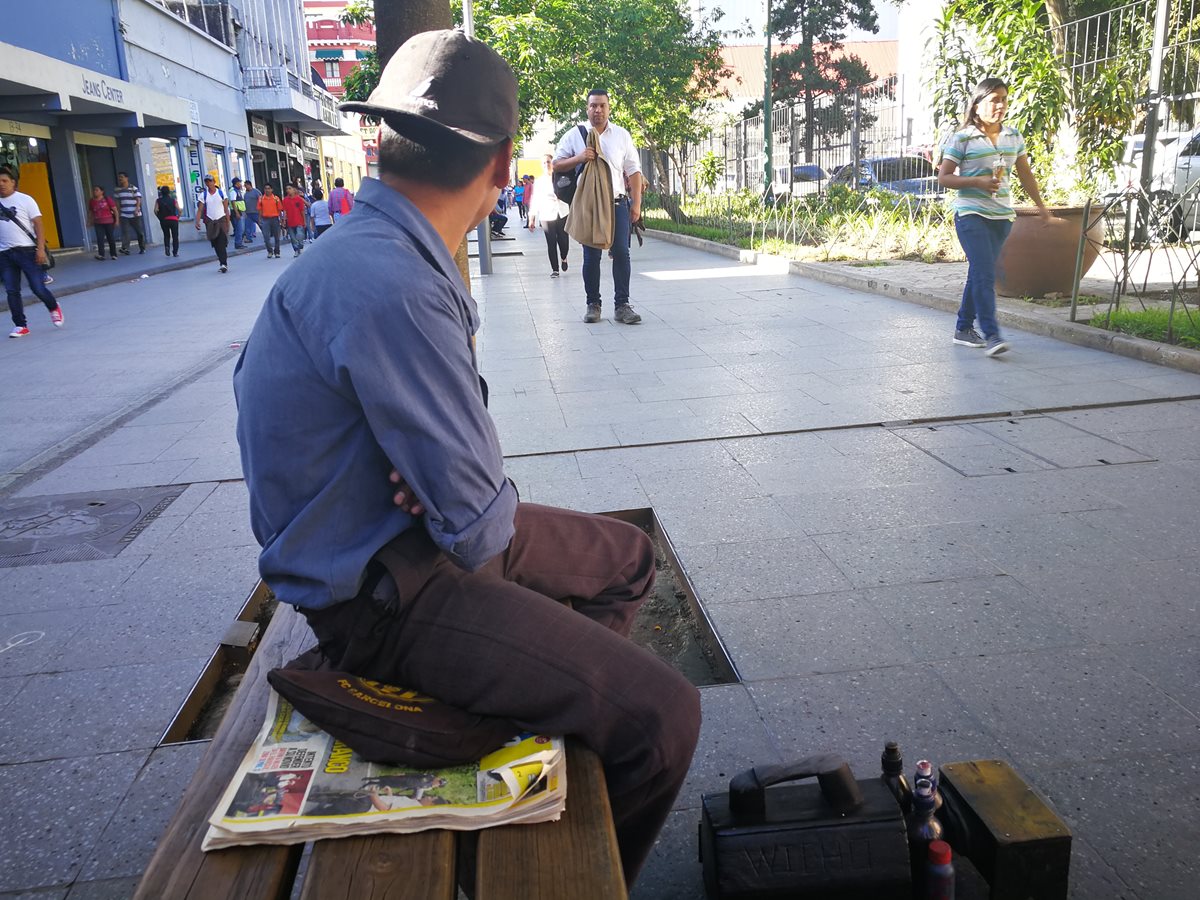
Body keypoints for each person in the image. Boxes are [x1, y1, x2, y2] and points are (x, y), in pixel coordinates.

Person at [233, 31, 699, 888]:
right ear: (504, 165)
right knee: (664, 718)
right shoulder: (396, 284)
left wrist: (442, 474)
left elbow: (464, 492)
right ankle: (572, 874)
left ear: (379, 144)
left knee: (629, 556)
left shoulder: (373, 253)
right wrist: (449, 480)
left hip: (407, 543)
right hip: (384, 595)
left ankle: (539, 707)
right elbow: (480, 528)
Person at [938, 77, 1053, 356]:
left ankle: (963, 328)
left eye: (1003, 99)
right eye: (993, 100)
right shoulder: (963, 137)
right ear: (977, 106)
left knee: (979, 271)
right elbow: (944, 177)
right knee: (986, 272)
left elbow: (1026, 174)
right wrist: (977, 182)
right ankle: (992, 335)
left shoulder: (1013, 136)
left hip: (1001, 216)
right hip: (970, 213)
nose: (1000, 105)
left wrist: (1041, 206)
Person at [555, 89, 644, 324]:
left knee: (622, 254)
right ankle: (593, 304)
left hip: (618, 204)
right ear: (587, 108)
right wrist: (580, 158)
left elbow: (634, 170)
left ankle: (622, 305)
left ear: (609, 108)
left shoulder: (621, 135)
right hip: (590, 206)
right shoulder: (575, 135)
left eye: (602, 105)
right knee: (591, 257)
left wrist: (636, 205)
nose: (598, 110)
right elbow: (557, 165)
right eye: (593, 106)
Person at [0, 165, 64, 337]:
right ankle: (20, 325)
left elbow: (39, 224)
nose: (1, 184)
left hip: (27, 251)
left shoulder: (25, 200)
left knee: (37, 287)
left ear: (13, 182)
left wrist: (41, 249)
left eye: (5, 180)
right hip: (5, 253)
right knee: (12, 290)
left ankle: (53, 306)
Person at [529, 154, 569, 276]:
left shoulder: (561, 177)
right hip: (546, 213)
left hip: (561, 211)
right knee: (551, 241)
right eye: (544, 163)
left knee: (563, 240)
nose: (547, 165)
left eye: (548, 162)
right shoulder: (539, 181)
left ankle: (564, 257)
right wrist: (532, 218)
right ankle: (555, 269)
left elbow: (569, 193)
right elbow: (535, 199)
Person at [194, 173, 230, 272]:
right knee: (215, 243)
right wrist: (197, 221)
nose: (208, 183)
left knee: (221, 243)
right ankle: (221, 261)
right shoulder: (203, 195)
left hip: (221, 220)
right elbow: (200, 210)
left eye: (210, 181)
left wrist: (228, 222)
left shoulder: (221, 193)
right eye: (207, 181)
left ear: (214, 182)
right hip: (210, 222)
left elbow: (226, 209)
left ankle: (224, 263)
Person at [113, 171, 146, 255]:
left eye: (122, 177)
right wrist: (118, 212)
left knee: (139, 232)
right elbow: (117, 201)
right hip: (124, 214)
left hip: (135, 214)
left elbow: (138, 199)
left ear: (126, 178)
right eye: (119, 177)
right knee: (125, 231)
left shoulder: (133, 188)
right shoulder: (117, 189)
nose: (120, 179)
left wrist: (137, 209)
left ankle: (142, 247)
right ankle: (125, 248)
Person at [87, 185, 119, 260]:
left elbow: (115, 210)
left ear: (102, 192)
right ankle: (101, 254)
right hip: (98, 222)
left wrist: (117, 221)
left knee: (110, 238)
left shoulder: (107, 199)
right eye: (94, 190)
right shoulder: (92, 201)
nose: (95, 192)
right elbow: (91, 212)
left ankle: (113, 254)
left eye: (97, 190)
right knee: (100, 238)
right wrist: (89, 221)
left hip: (108, 222)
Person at [282, 184, 309, 256]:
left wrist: (304, 221)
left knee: (299, 235)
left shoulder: (299, 199)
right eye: (287, 189)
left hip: (299, 221)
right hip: (290, 222)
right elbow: (284, 211)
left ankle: (300, 246)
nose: (288, 190)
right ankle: (296, 250)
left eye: (289, 188)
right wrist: (284, 220)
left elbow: (302, 211)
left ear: (294, 189)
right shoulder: (285, 200)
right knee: (293, 238)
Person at [153, 185, 181, 258]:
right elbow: (179, 210)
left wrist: (159, 217)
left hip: (164, 220)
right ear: (169, 192)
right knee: (175, 236)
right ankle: (175, 252)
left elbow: (155, 210)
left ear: (161, 192)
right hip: (174, 220)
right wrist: (178, 217)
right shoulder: (173, 200)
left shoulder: (158, 200)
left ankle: (167, 247)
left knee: (166, 235)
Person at [257, 184, 283, 258]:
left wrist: (281, 219)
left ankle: (277, 252)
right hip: (265, 219)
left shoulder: (276, 198)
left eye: (269, 188)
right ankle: (270, 251)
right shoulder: (261, 198)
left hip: (275, 219)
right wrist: (259, 219)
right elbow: (259, 210)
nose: (267, 190)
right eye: (266, 188)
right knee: (266, 237)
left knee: (277, 236)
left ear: (272, 190)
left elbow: (279, 209)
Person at [230, 177, 248, 249]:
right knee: (239, 229)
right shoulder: (233, 191)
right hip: (237, 212)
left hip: (241, 211)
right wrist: (237, 213)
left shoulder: (238, 191)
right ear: (236, 183)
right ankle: (238, 244)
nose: (240, 184)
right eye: (239, 182)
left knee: (242, 229)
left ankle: (239, 243)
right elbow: (233, 202)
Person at [242, 180, 262, 244]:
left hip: (256, 212)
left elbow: (261, 201)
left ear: (249, 185)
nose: (245, 187)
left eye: (246, 185)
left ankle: (267, 235)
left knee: (261, 224)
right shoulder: (245, 194)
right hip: (248, 213)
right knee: (247, 226)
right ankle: (248, 238)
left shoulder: (256, 192)